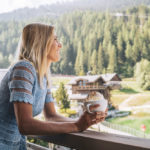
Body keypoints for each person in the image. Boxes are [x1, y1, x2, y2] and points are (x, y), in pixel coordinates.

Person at [0, 23, 107, 150]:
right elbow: (25, 125)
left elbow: (51, 116)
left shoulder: (43, 77)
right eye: (55, 40)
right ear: (41, 43)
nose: (60, 45)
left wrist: (86, 120)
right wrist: (77, 126)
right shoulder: (24, 68)